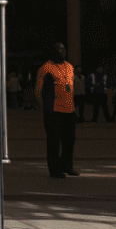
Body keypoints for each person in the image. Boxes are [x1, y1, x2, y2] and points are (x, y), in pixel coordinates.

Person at [37, 41, 78, 179]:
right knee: (54, 142)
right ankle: (55, 170)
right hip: (53, 112)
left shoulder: (70, 67)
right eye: (59, 50)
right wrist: (46, 108)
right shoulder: (45, 68)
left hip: (69, 111)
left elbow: (71, 88)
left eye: (64, 50)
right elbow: (38, 92)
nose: (63, 52)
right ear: (53, 52)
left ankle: (67, 166)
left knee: (69, 141)